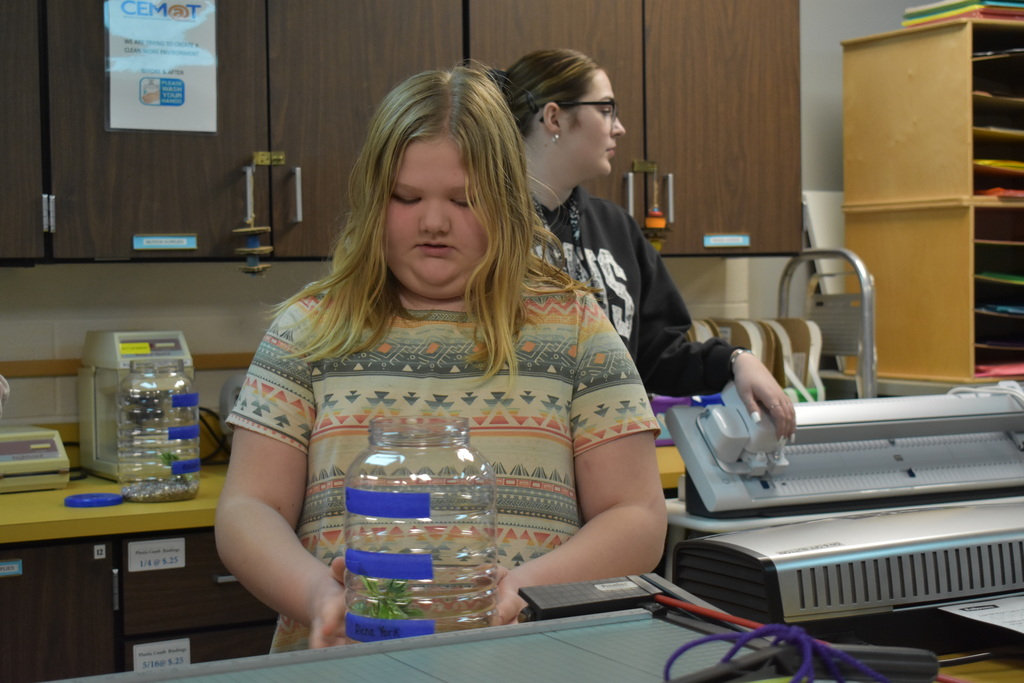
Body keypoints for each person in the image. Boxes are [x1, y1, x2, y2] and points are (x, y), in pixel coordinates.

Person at [215, 65, 667, 652]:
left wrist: (523, 589)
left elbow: (636, 516)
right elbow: (248, 509)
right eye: (407, 198)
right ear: (374, 198)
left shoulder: (575, 329)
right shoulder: (309, 331)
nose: (433, 221)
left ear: (507, 200)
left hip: (529, 660)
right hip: (343, 664)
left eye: (463, 199)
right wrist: (319, 597)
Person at [500, 49, 796, 438]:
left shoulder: (615, 227)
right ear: (554, 117)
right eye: (606, 109)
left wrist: (736, 361)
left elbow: (657, 356)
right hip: (520, 453)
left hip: (614, 456)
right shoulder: (487, 224)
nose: (619, 127)